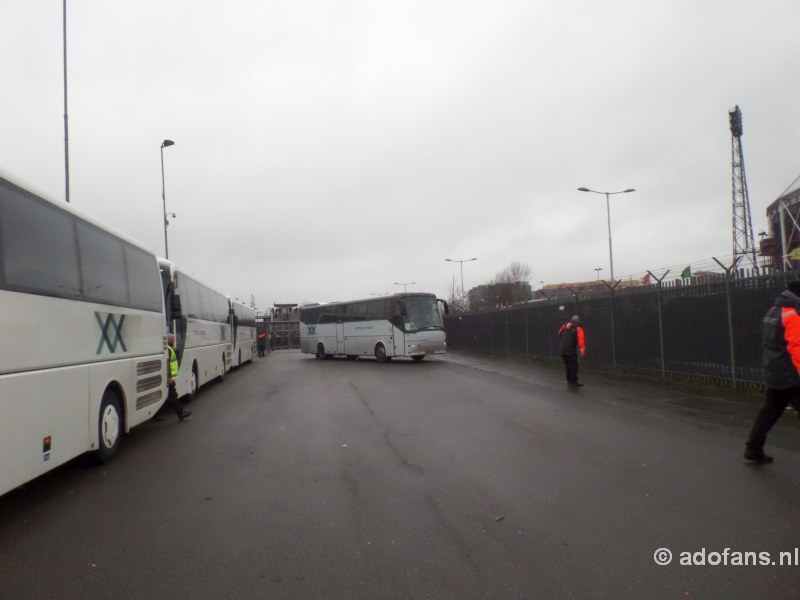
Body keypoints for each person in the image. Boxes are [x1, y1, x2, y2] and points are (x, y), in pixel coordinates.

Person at [743, 281, 800, 464]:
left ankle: (753, 448)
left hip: (774, 370)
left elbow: (770, 343)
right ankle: (753, 449)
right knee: (771, 410)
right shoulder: (792, 315)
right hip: (791, 374)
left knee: (770, 411)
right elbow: (796, 347)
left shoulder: (773, 310)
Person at [158, 333, 191, 422]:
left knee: (168, 396)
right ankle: (181, 413)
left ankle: (157, 415)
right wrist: (169, 377)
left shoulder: (169, 349)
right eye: (172, 340)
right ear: (168, 340)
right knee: (173, 396)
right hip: (168, 378)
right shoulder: (168, 349)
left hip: (168, 377)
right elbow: (167, 365)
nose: (174, 341)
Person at [558, 314, 586, 387]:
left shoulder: (564, 326)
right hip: (571, 350)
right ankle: (574, 382)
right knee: (574, 366)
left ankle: (569, 381)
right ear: (578, 320)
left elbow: (559, 333)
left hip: (563, 349)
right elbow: (581, 340)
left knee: (568, 366)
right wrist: (582, 349)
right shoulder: (578, 328)